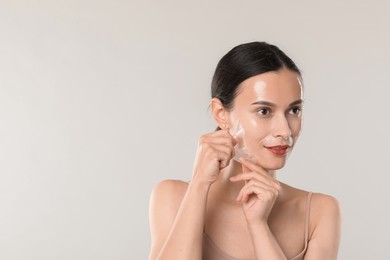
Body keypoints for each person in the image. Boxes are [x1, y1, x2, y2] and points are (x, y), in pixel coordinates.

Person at [149, 42, 341, 260]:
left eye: (294, 110)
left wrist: (259, 227)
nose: (285, 130)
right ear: (221, 113)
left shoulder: (318, 212)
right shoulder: (172, 196)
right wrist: (199, 184)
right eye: (264, 111)